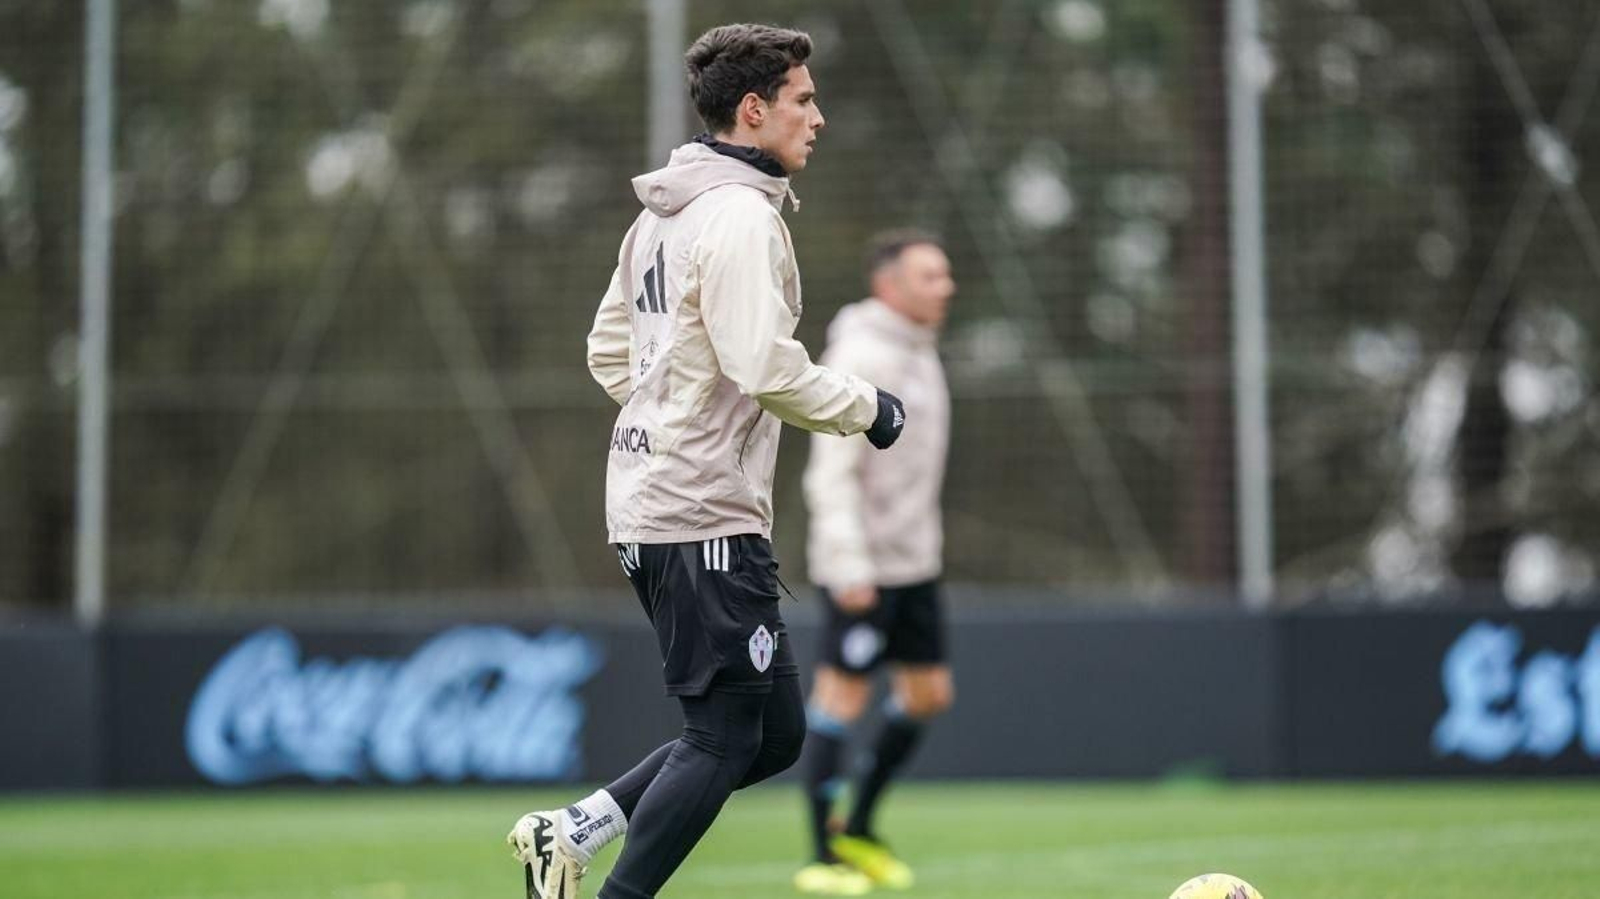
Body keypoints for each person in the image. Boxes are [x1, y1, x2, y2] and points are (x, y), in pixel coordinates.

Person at [505, 23, 907, 899]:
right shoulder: (736, 217)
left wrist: (672, 420)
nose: (818, 117)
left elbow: (611, 353)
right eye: (804, 100)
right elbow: (763, 366)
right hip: (699, 515)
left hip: (668, 502)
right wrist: (868, 407)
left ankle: (575, 830)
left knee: (775, 733)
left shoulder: (667, 213)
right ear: (754, 110)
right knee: (725, 735)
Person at [793, 231, 956, 895]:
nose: (945, 286)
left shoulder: (920, 350)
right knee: (842, 696)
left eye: (945, 274)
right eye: (930, 276)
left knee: (927, 694)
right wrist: (848, 562)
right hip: (862, 568)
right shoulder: (861, 351)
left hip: (915, 563)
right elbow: (831, 472)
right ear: (890, 286)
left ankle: (857, 824)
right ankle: (822, 858)